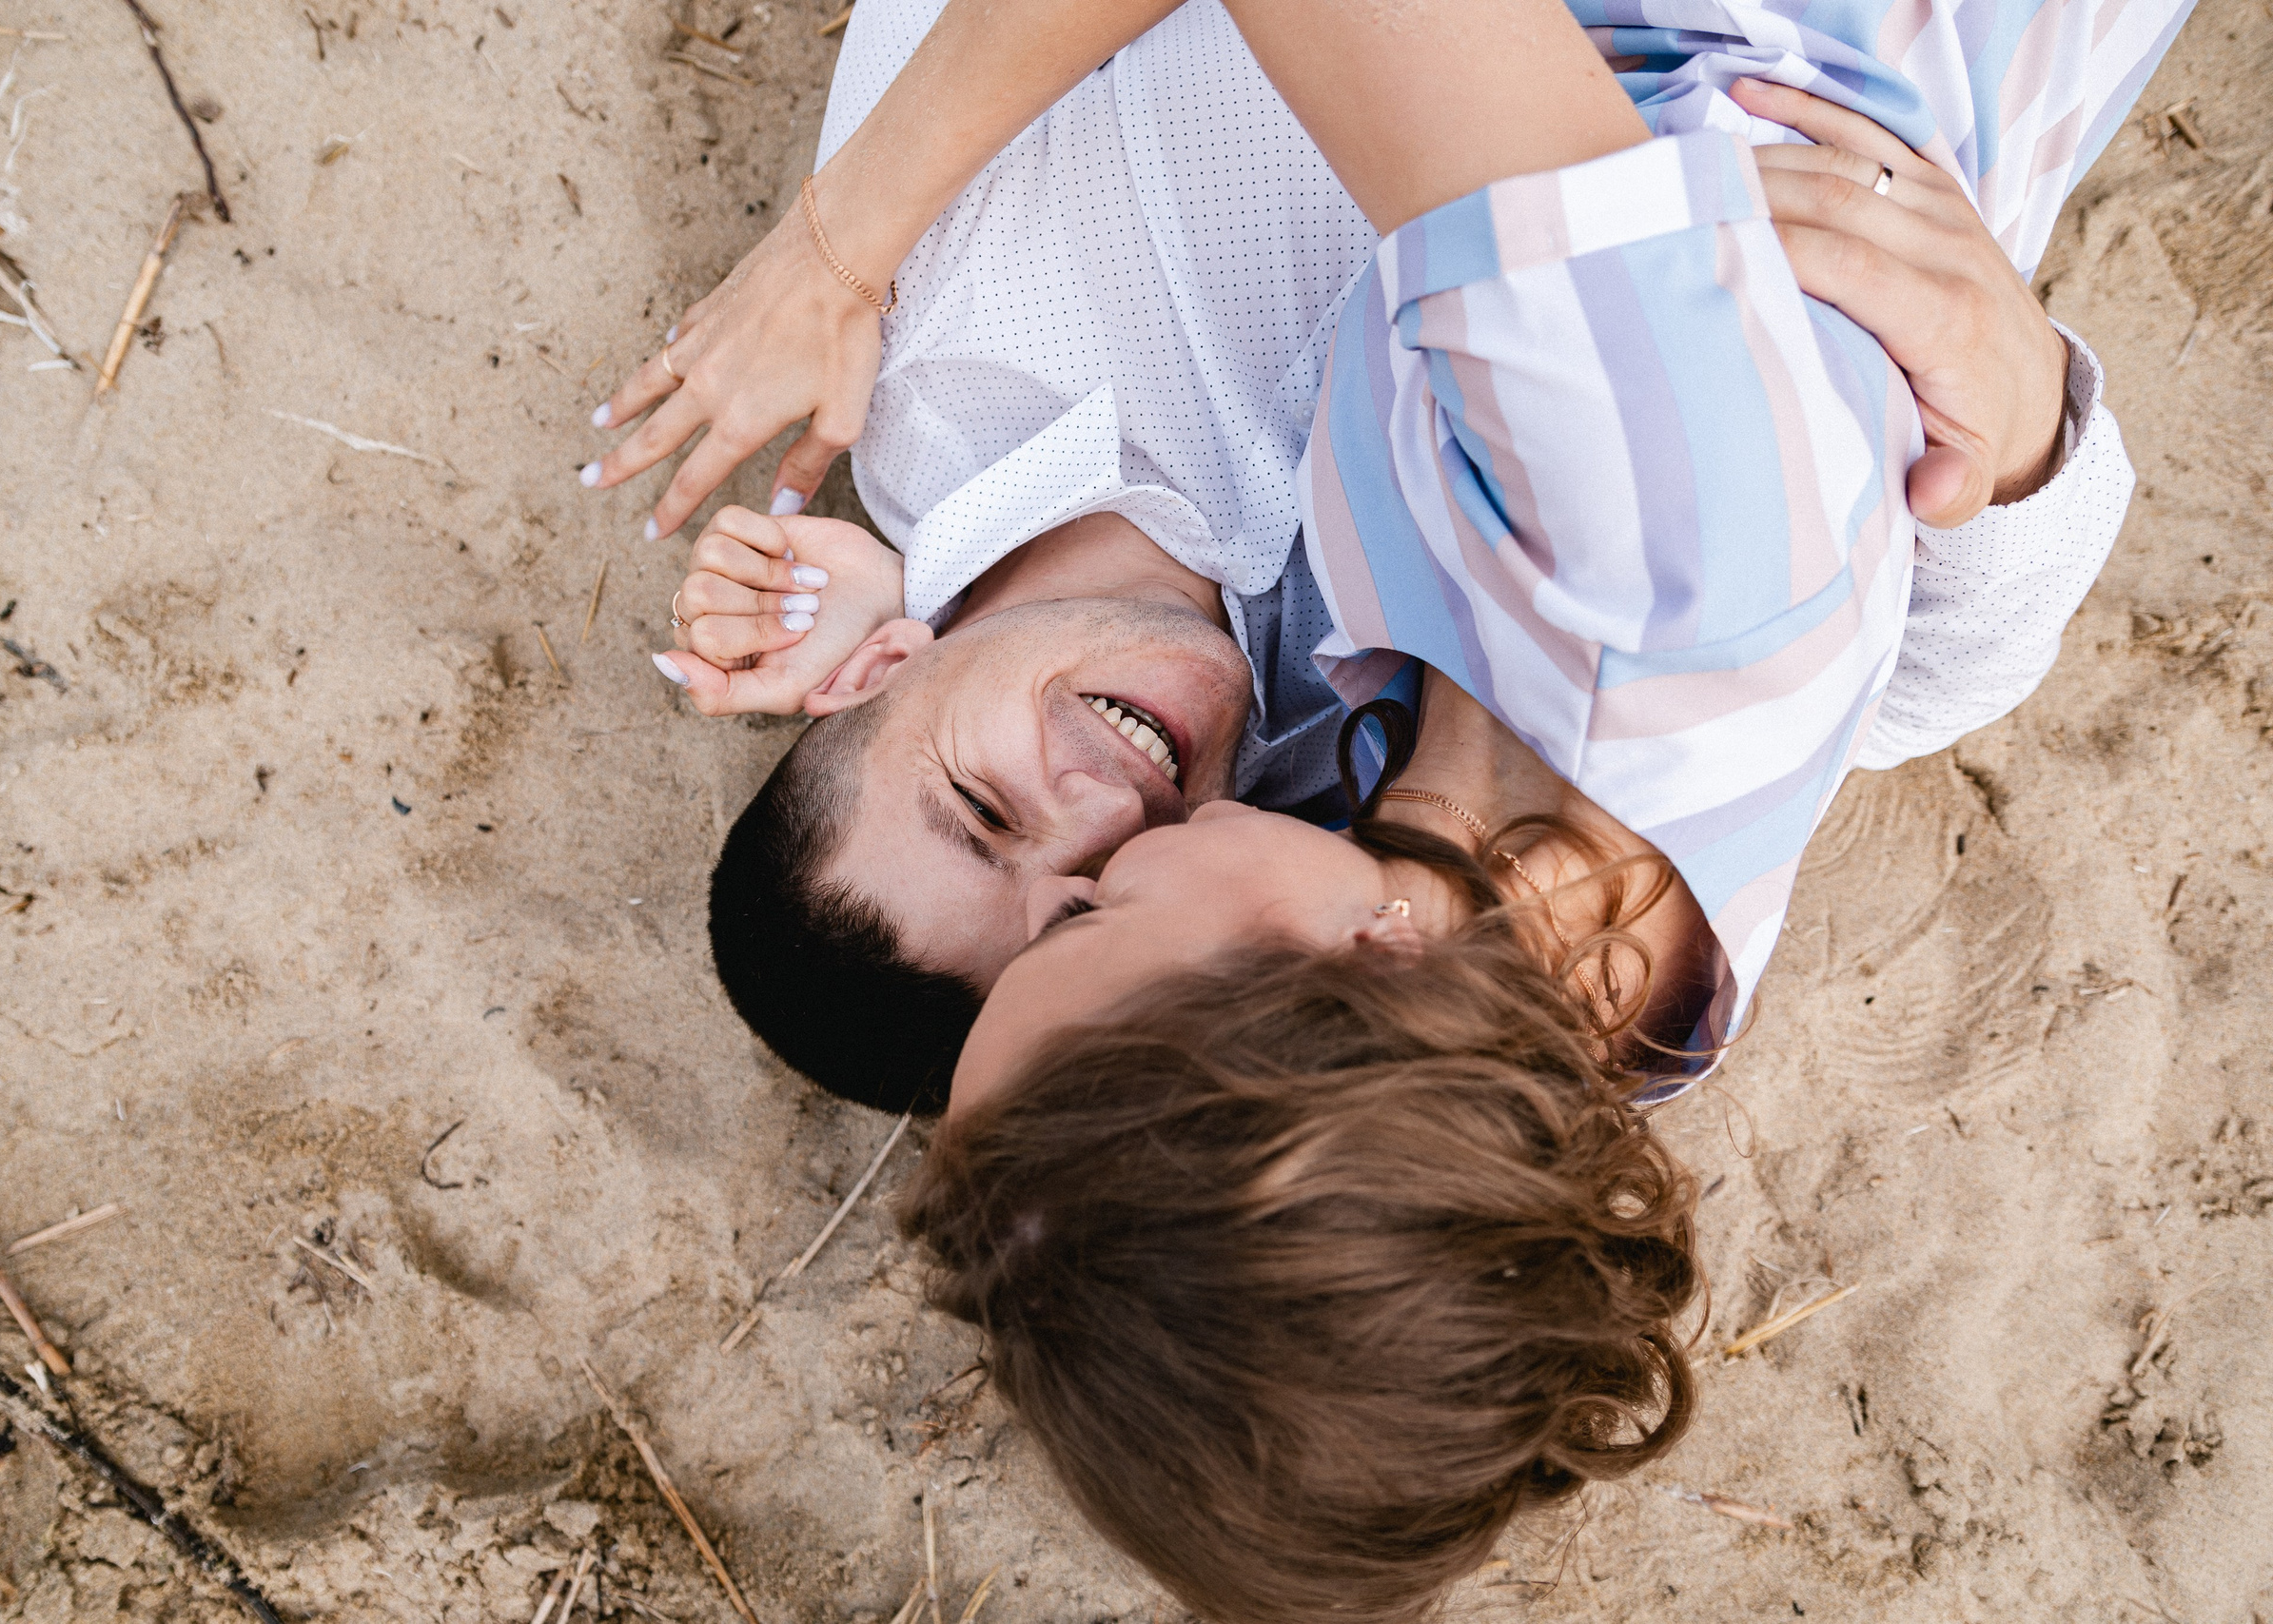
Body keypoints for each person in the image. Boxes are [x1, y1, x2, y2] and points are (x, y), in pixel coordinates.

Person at [867, 1, 2187, 1618]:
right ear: (1363, 958)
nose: (1085, 865)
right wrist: (834, 253)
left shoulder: (1584, 981)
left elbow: (1871, 677)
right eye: (1093, 925)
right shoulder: (1639, 568)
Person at [590, 0, 2164, 1113]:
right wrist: (2023, 428)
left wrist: (840, 247)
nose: (1111, 820)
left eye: (984, 801)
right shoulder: (1330, 798)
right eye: (1097, 916)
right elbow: (1869, 692)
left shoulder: (934, 349)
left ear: (880, 671)